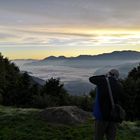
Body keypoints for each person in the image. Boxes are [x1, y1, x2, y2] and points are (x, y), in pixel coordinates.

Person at [89, 69, 123, 140]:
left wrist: (105, 76)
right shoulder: (119, 85)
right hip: (114, 116)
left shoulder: (104, 81)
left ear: (110, 74)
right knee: (111, 138)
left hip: (102, 116)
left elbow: (91, 79)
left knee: (98, 137)